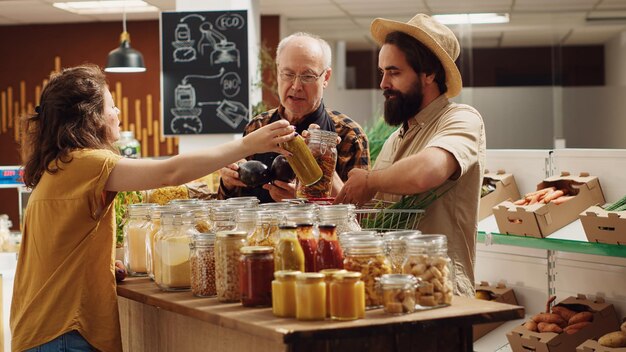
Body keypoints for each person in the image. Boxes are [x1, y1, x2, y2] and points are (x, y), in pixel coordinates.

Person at [10, 64, 295, 352]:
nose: (118, 113)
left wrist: (99, 266)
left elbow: (58, 248)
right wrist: (247, 144)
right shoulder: (86, 163)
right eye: (111, 106)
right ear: (91, 117)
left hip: (40, 329)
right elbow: (170, 172)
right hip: (64, 335)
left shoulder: (56, 168)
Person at [335, 14, 486, 297]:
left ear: (428, 73)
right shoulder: (396, 138)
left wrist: (370, 181)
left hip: (441, 289)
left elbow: (427, 172)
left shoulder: (461, 119)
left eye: (394, 72)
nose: (383, 83)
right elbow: (372, 215)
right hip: (393, 289)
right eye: (382, 72)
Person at [218, 32, 370, 203]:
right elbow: (232, 206)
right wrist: (228, 183)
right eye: (288, 74)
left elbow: (359, 214)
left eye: (307, 76)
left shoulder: (349, 134)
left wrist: (307, 198)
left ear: (325, 77)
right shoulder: (258, 126)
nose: (296, 86)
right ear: (277, 73)